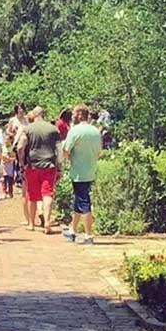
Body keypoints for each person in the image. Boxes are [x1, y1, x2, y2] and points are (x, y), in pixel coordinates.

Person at [62, 104, 102, 246]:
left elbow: (65, 150)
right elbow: (99, 152)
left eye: (73, 113)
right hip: (90, 170)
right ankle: (72, 231)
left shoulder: (75, 131)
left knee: (84, 201)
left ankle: (88, 235)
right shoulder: (95, 131)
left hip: (78, 171)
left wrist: (70, 158)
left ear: (78, 115)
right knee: (78, 200)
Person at [17, 107, 60, 234]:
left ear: (34, 115)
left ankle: (31, 223)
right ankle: (47, 222)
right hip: (49, 166)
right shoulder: (53, 129)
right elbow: (59, 149)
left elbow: (20, 146)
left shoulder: (28, 129)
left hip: (32, 166)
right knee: (47, 193)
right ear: (43, 115)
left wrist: (21, 162)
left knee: (32, 195)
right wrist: (60, 165)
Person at [1, 133, 16, 199]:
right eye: (5, 139)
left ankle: (10, 192)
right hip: (3, 165)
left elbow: (15, 157)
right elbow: (0, 155)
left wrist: (10, 159)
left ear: (10, 140)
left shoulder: (12, 148)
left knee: (10, 180)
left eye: (7, 139)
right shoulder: (2, 147)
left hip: (10, 166)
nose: (6, 141)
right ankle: (4, 192)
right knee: (4, 180)